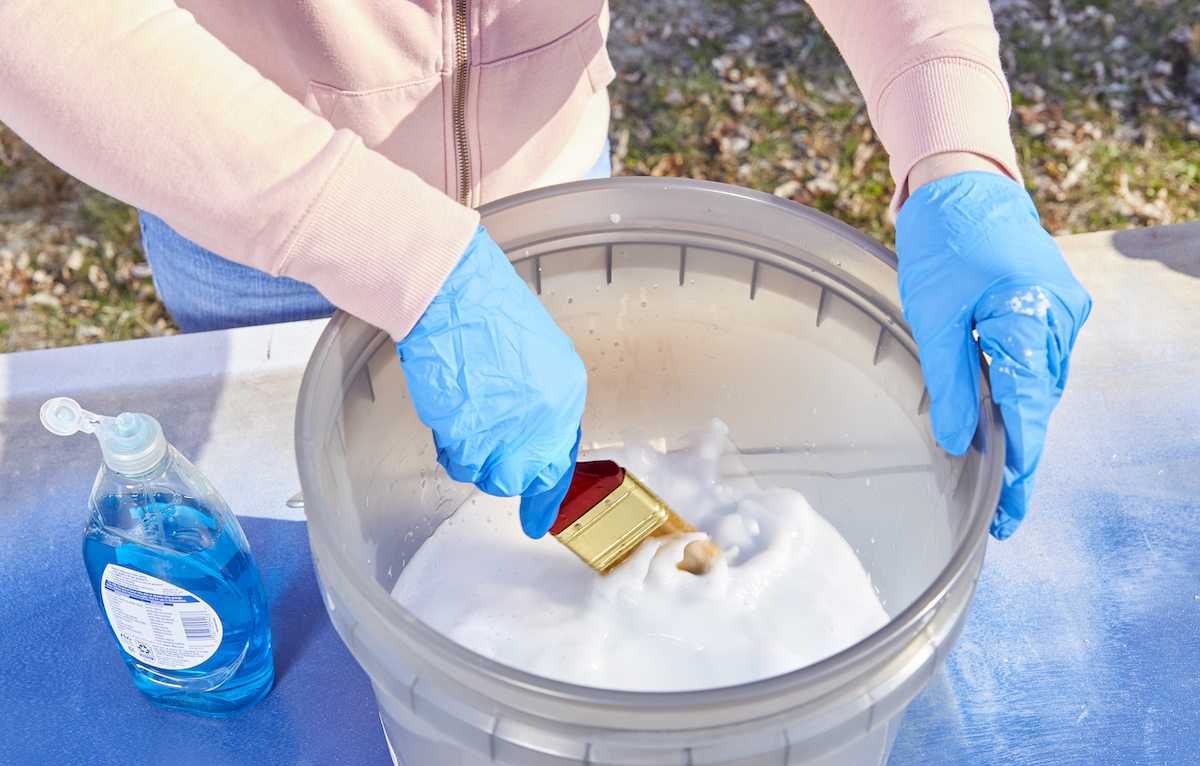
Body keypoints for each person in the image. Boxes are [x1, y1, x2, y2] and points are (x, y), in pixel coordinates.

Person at [0, 0, 1090, 541]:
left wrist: (949, 130)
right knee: (351, 523)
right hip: (262, 209)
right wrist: (392, 251)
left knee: (560, 501)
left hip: (556, 189)